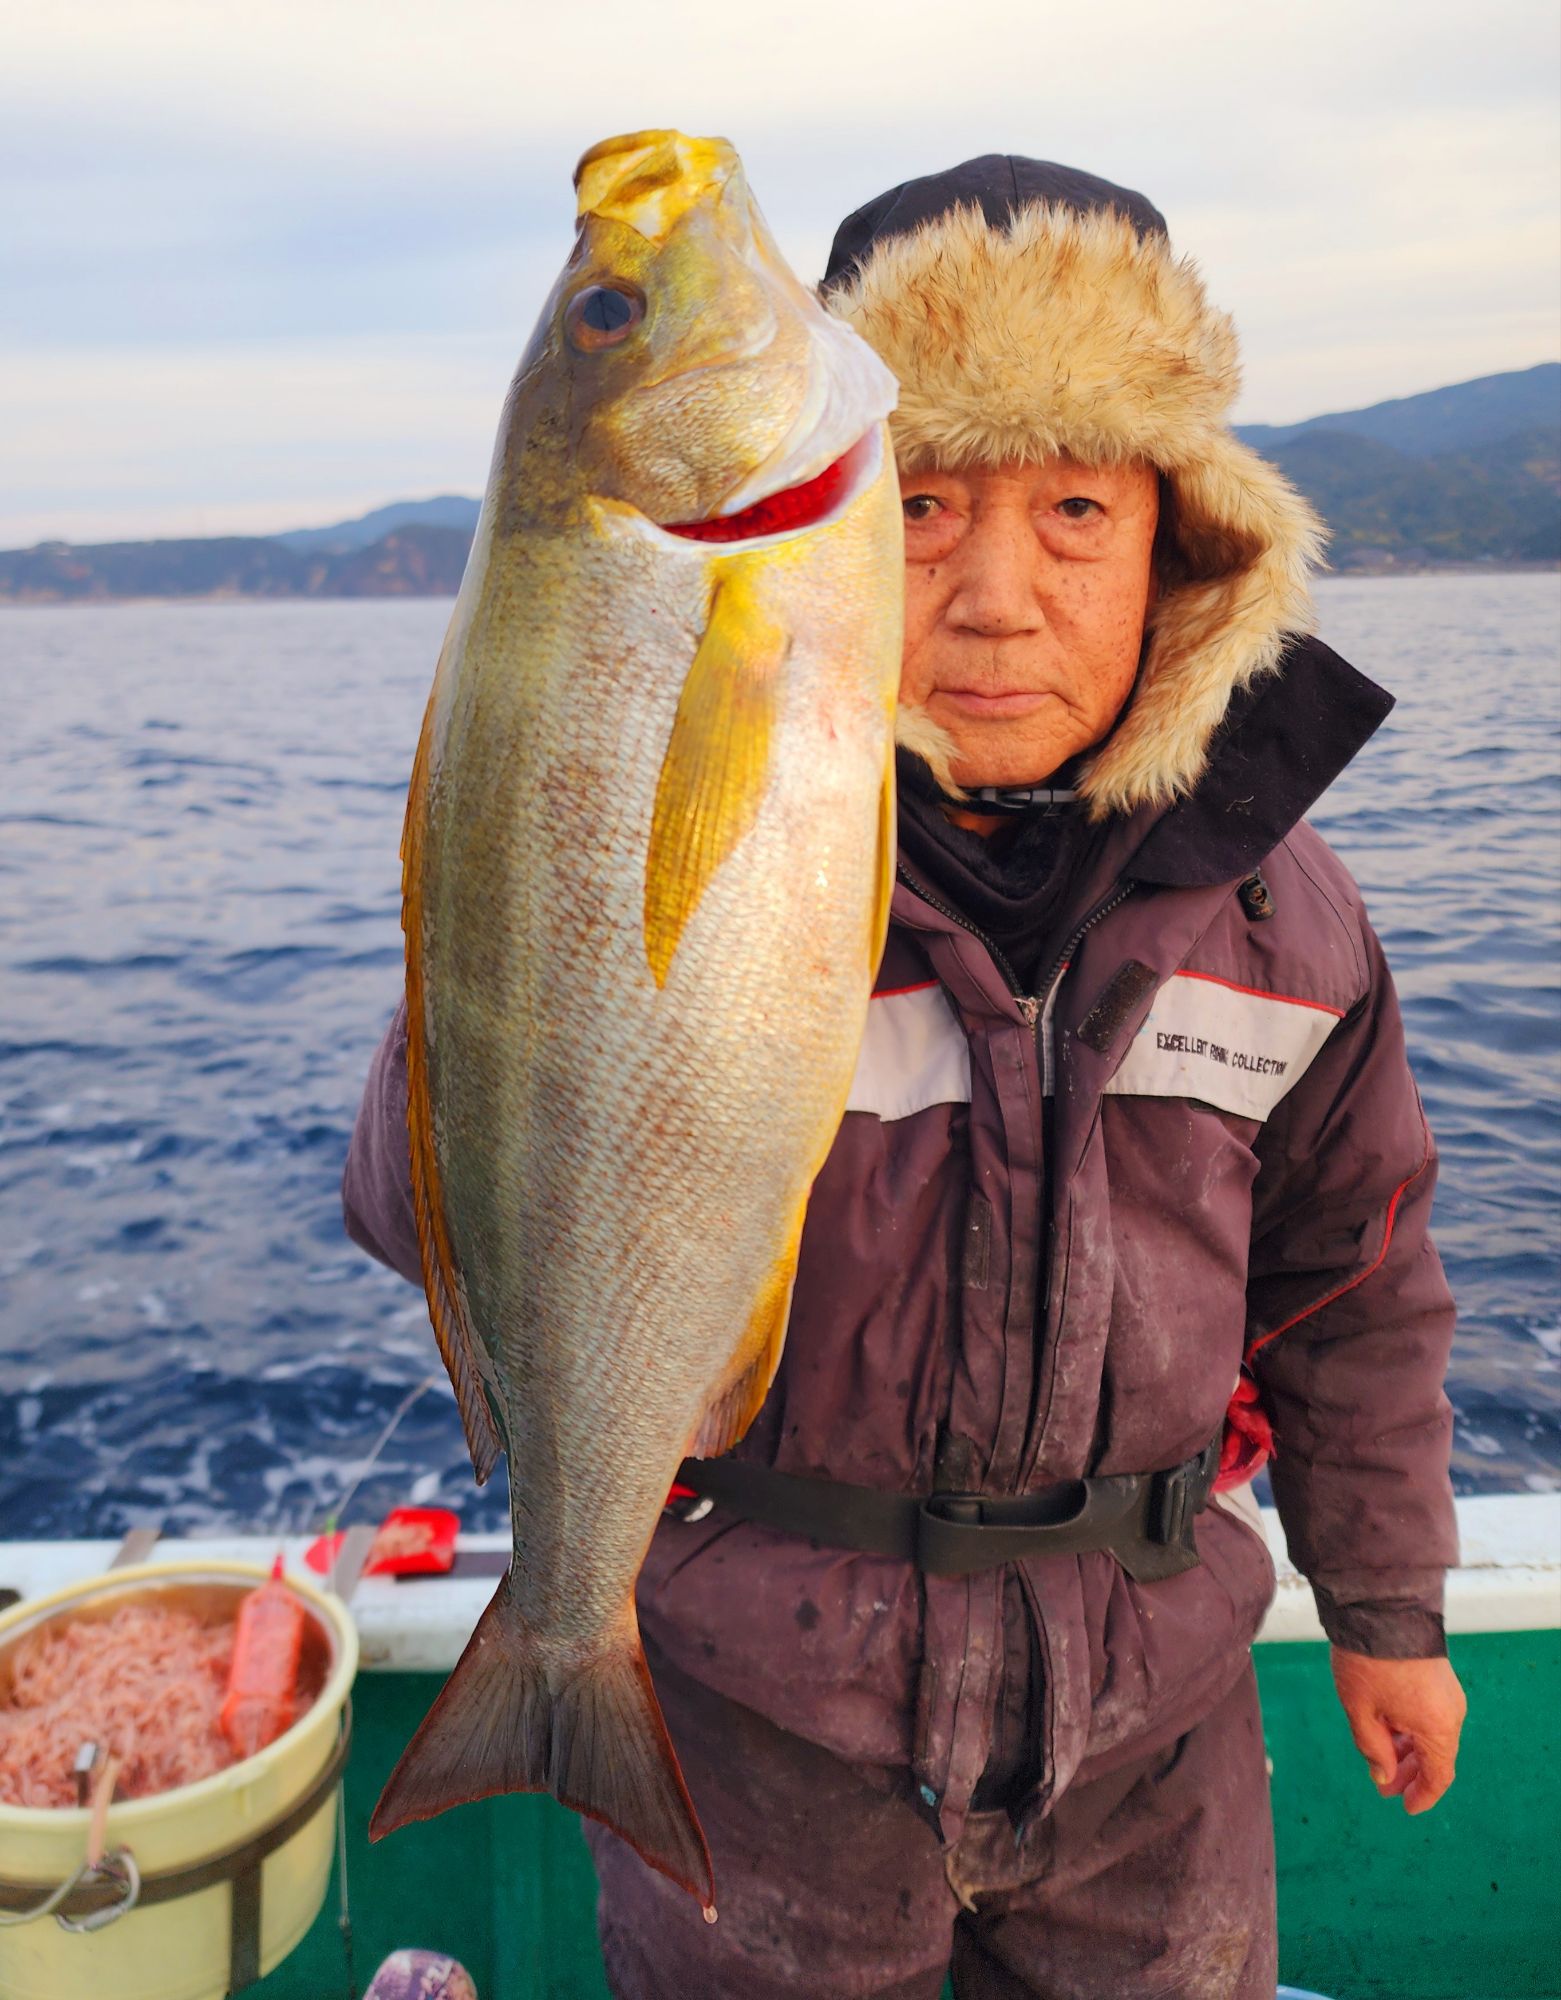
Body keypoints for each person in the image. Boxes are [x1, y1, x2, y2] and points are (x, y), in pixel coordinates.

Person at [343, 155, 1467, 1999]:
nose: (1000, 595)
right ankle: (564, 1684)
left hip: (1150, 1740)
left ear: (1184, 540)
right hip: (760, 1713)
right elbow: (409, 1215)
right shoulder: (758, 850)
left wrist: (1389, 1613)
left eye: (1079, 508)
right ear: (841, 517)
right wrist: (516, 894)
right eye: (928, 502)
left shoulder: (1285, 919)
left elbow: (1355, 1294)